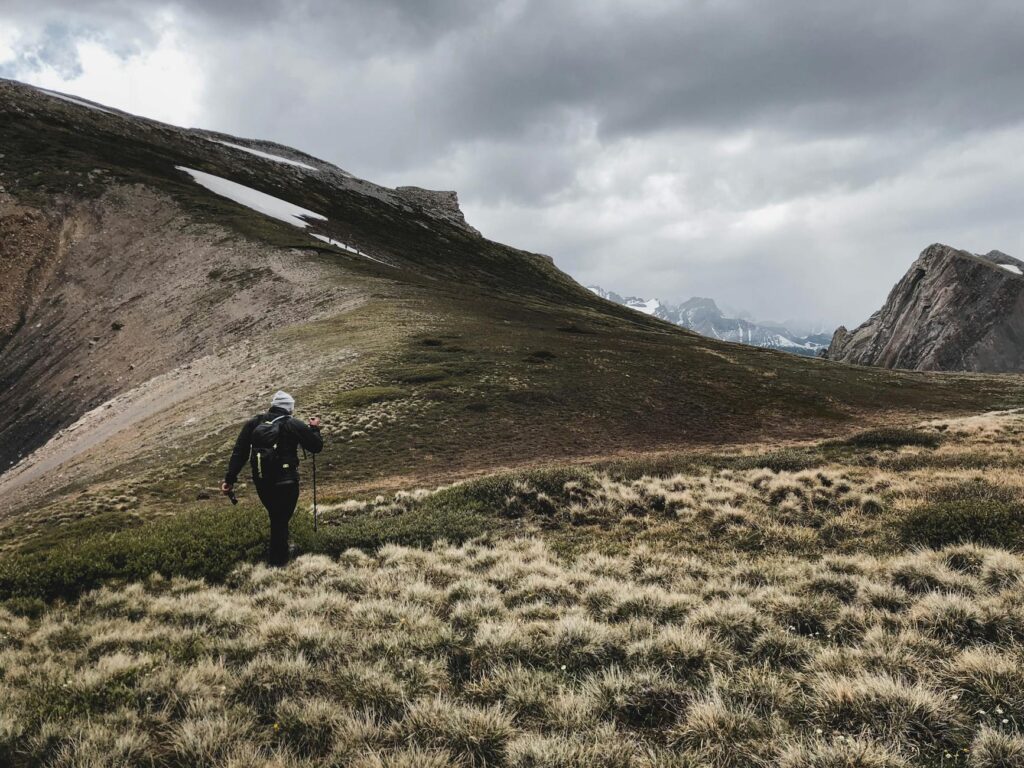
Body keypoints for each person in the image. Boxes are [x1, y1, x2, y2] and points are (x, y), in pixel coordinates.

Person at [222, 390, 323, 566]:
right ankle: (277, 563)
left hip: (263, 482)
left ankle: (278, 558)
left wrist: (229, 480)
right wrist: (314, 428)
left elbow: (240, 452)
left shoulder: (255, 423)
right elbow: (316, 446)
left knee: (277, 518)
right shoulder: (292, 424)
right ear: (289, 408)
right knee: (280, 520)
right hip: (287, 481)